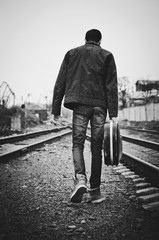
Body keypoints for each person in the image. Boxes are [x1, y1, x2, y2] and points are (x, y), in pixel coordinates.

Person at [52, 29, 118, 203]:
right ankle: (95, 191)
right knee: (97, 147)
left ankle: (80, 179)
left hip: (80, 104)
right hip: (99, 106)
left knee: (78, 143)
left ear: (86, 39)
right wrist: (113, 114)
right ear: (100, 41)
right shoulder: (107, 55)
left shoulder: (72, 53)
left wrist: (55, 110)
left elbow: (60, 81)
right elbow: (111, 86)